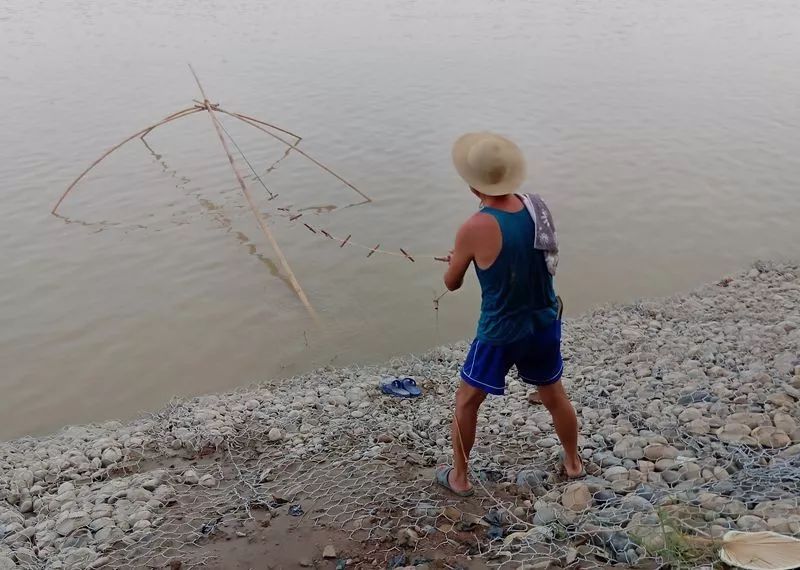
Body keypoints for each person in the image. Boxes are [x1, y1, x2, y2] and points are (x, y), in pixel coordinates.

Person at [435, 132, 583, 497]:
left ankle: (459, 478)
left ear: (473, 185)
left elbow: (452, 283)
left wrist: (457, 259)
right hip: (545, 322)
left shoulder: (475, 226)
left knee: (467, 400)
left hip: (501, 331)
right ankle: (573, 462)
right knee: (553, 394)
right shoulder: (537, 207)